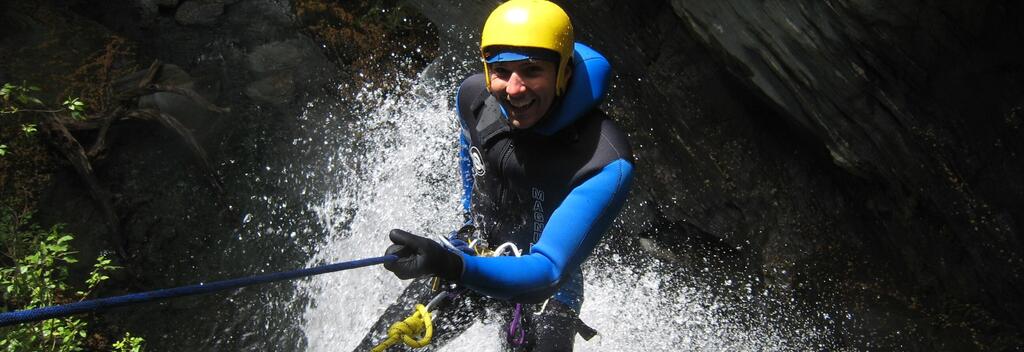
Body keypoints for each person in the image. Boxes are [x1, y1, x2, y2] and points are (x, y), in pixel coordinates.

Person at [356, 1, 634, 350]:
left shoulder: (602, 158)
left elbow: (548, 270)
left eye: (532, 70)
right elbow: (469, 148)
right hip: (475, 253)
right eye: (502, 71)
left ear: (563, 72)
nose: (515, 89)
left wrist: (454, 266)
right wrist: (468, 221)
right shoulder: (474, 98)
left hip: (546, 293)